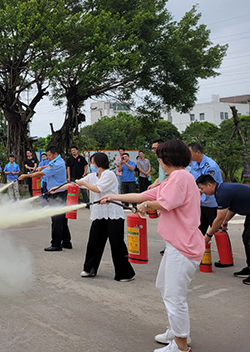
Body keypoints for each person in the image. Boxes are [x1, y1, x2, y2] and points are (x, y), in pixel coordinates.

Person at [101, 139, 203, 352]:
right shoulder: (174, 179)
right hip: (176, 245)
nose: (159, 162)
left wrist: (146, 205)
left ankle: (181, 346)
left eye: (159, 158)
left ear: (166, 160)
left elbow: (163, 203)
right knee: (164, 287)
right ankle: (176, 332)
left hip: (183, 247)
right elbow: (143, 195)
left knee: (174, 296)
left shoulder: (180, 177)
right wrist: (112, 196)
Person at [60, 152, 135, 281]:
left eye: (92, 162)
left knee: (116, 243)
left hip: (113, 214)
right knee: (94, 241)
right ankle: (90, 269)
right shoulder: (92, 176)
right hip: (99, 214)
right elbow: (75, 184)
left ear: (99, 163)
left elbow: (98, 189)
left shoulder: (109, 174)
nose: (91, 164)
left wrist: (83, 183)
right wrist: (58, 188)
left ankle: (125, 273)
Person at [196, 174, 250, 284]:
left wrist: (208, 235)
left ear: (209, 185)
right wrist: (226, 220)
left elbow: (218, 219)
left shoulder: (222, 193)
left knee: (248, 240)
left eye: (202, 188)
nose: (202, 191)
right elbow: (233, 206)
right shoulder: (222, 189)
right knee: (246, 239)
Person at [19, 146, 71, 252]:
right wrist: (42, 167)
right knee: (62, 218)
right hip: (58, 192)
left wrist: (26, 176)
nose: (47, 157)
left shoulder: (57, 164)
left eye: (49, 155)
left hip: (57, 194)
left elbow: (40, 174)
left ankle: (56, 244)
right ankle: (66, 242)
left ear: (55, 154)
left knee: (56, 219)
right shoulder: (57, 161)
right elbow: (47, 167)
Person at [187, 142, 223, 234]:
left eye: (190, 153)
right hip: (200, 203)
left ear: (198, 152)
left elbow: (207, 186)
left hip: (212, 203)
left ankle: (222, 245)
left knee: (218, 231)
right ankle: (200, 244)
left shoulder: (210, 166)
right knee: (198, 231)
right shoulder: (193, 164)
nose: (188, 155)